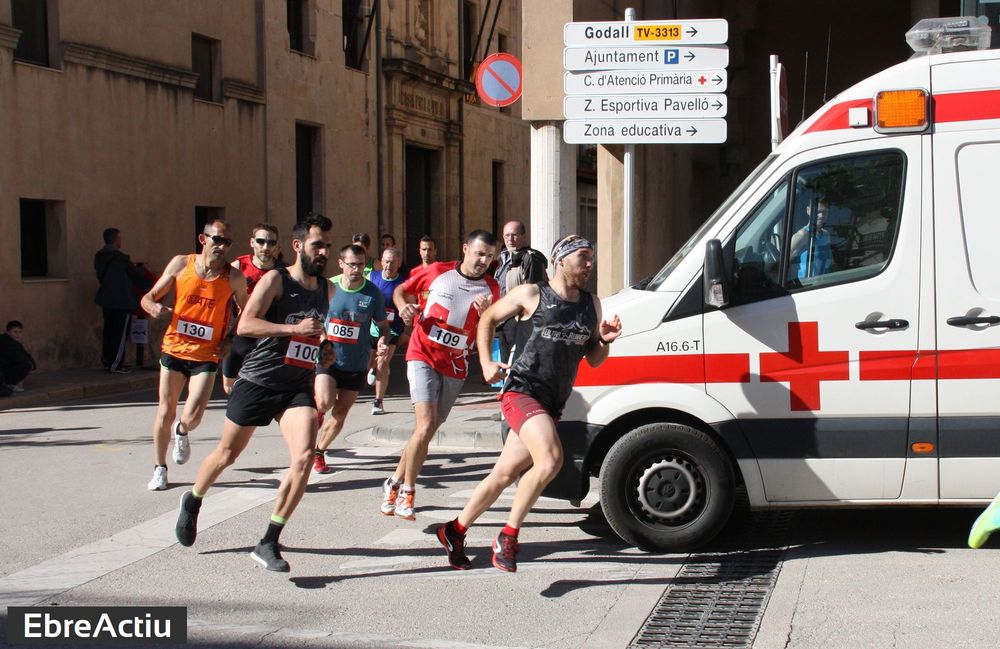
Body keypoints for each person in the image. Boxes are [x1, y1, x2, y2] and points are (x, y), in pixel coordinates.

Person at [434, 235, 621, 572]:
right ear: (561, 260)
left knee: (503, 474)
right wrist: (486, 362)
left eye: (591, 257)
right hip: (522, 391)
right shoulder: (532, 294)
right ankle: (508, 537)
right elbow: (488, 319)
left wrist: (605, 341)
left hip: (552, 403)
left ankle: (454, 531)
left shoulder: (591, 304)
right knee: (550, 460)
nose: (589, 264)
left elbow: (594, 358)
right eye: (582, 257)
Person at [174, 213, 333, 573]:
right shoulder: (276, 280)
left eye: (327, 245)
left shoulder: (325, 289)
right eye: (316, 245)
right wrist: (291, 329)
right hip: (259, 381)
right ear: (298, 246)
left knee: (304, 458)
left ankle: (269, 541)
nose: (323, 251)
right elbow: (246, 325)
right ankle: (194, 499)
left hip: (297, 385)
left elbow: (317, 331)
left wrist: (325, 347)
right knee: (226, 454)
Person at [379, 230, 499, 521]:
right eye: (479, 253)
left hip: (455, 364)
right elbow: (400, 291)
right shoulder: (437, 272)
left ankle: (393, 481)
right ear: (465, 248)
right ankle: (408, 492)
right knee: (425, 424)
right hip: (422, 353)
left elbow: (489, 328)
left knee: (427, 429)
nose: (483, 261)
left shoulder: (492, 288)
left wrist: (487, 315)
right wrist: (404, 308)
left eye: (489, 257)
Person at [141, 220, 247, 491]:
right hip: (174, 348)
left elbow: (246, 313)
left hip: (207, 354)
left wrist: (230, 339)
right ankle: (160, 468)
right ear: (203, 239)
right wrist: (153, 307)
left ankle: (183, 429)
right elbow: (148, 297)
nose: (221, 246)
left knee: (194, 415)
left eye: (227, 242)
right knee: (165, 411)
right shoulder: (181, 264)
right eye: (217, 240)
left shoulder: (233, 277)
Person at [311, 244, 389, 474]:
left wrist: (383, 341)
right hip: (328, 358)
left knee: (340, 413)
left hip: (356, 362)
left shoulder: (373, 293)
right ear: (341, 264)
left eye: (361, 265)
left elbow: (383, 326)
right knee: (324, 402)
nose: (356, 269)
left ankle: (319, 451)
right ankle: (313, 419)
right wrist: (323, 340)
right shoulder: (328, 287)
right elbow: (315, 319)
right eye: (352, 264)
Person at [222, 223, 285, 394]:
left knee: (267, 385)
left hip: (268, 336)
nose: (266, 247)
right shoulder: (238, 267)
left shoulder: (283, 272)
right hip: (240, 333)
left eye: (271, 243)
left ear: (277, 246)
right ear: (252, 242)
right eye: (261, 241)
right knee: (229, 386)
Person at [94, 228, 149, 373]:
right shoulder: (121, 258)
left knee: (108, 331)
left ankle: (107, 361)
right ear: (116, 240)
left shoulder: (99, 256)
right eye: (119, 238)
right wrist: (143, 270)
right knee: (120, 334)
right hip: (122, 301)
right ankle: (116, 364)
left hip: (106, 298)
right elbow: (137, 275)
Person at [493, 220, 548, 363]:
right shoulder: (502, 258)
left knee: (515, 363)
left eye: (515, 235)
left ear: (524, 236)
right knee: (501, 363)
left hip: (518, 321)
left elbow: (534, 292)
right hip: (501, 320)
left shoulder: (531, 258)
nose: (510, 239)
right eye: (507, 235)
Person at [367, 247, 408, 415]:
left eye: (392, 262)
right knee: (368, 363)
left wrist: (407, 330)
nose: (388, 265)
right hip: (372, 328)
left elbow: (408, 307)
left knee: (383, 362)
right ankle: (373, 367)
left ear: (398, 263)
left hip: (393, 330)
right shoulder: (372, 277)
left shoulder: (404, 283)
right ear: (381, 261)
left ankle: (378, 402)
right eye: (386, 261)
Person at [789, 199, 832, 279]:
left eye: (825, 212)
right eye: (818, 212)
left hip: (825, 282)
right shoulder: (802, 235)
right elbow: (783, 263)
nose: (821, 216)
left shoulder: (826, 235)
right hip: (807, 284)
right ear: (808, 210)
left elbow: (830, 262)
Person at [0, 321, 36, 394]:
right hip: (3, 372)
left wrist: (33, 364)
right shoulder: (7, 343)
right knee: (27, 365)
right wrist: (32, 364)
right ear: (8, 332)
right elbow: (19, 358)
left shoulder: (13, 342)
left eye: (20, 332)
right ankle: (10, 384)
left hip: (5, 370)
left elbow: (25, 354)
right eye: (15, 332)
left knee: (27, 363)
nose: (18, 335)